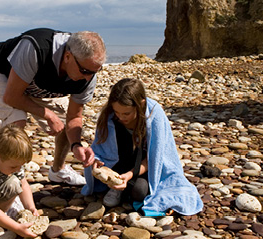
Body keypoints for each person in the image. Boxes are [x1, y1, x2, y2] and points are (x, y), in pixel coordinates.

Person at [0, 28, 106, 186]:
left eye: (94, 72)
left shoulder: (88, 75)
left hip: (35, 83)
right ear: (67, 56)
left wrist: (76, 145)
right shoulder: (36, 48)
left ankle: (58, 171)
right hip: (2, 71)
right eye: (84, 71)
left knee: (64, 125)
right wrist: (49, 115)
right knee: (16, 123)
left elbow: (74, 117)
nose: (88, 78)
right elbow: (12, 97)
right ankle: (2, 180)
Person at [82, 78, 203, 216]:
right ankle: (117, 187)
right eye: (117, 112)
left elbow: (156, 157)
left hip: (145, 165)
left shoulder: (153, 116)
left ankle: (124, 187)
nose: (121, 117)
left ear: (140, 104)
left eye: (126, 113)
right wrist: (97, 162)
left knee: (140, 191)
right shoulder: (109, 117)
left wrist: (128, 175)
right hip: (120, 161)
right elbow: (102, 149)